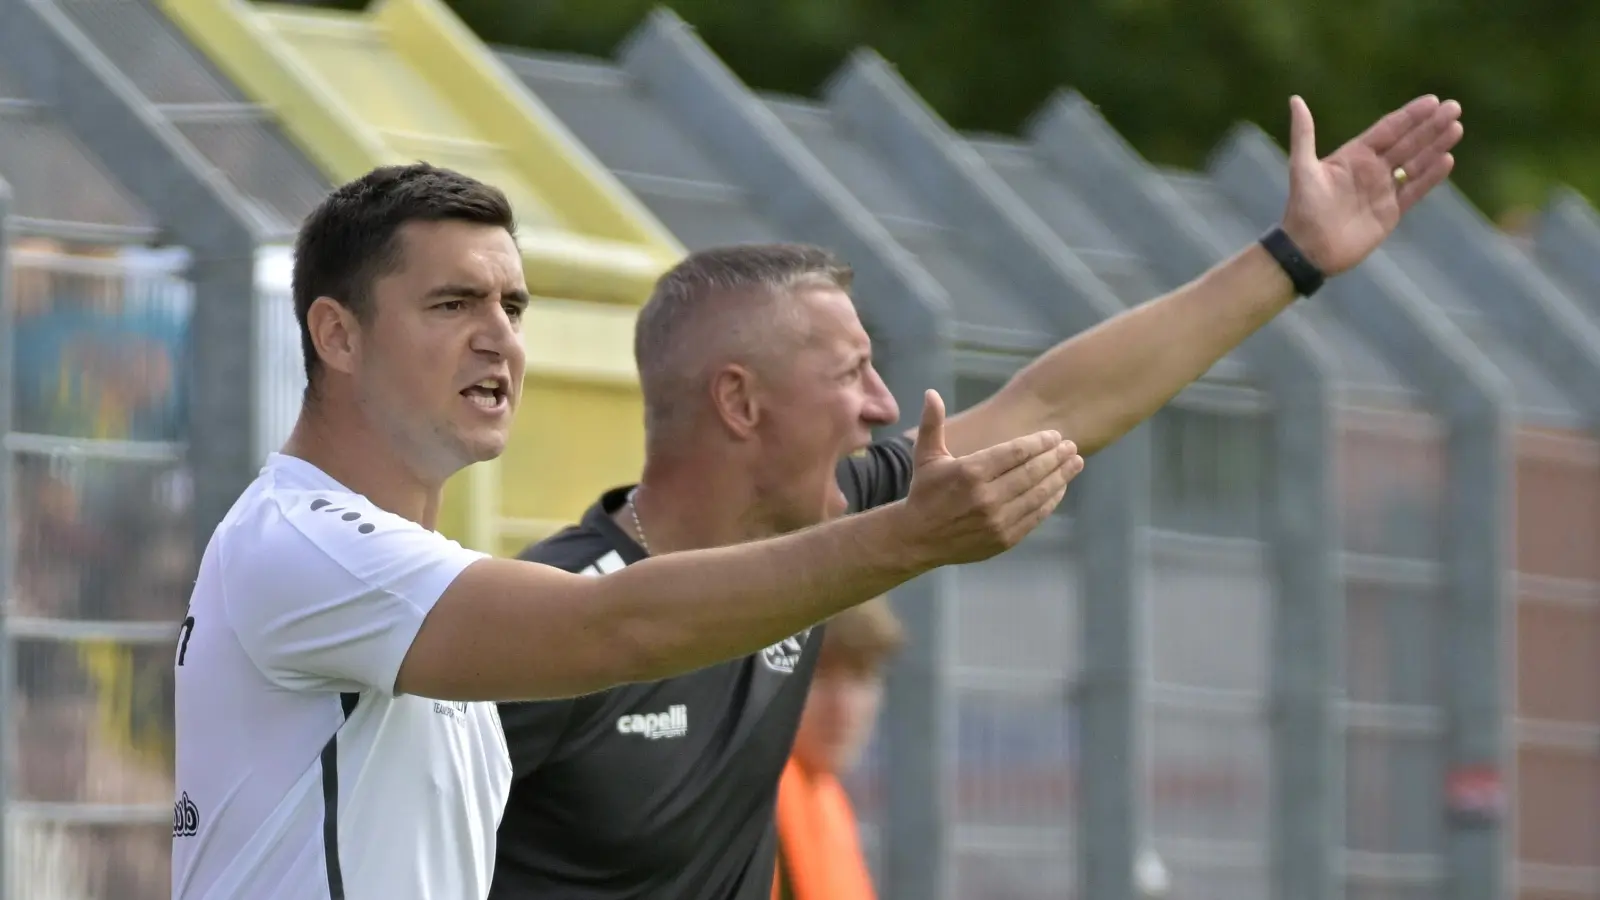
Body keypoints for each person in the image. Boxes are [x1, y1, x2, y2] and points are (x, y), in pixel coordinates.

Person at [488, 92, 1465, 900]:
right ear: (740, 403)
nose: (882, 406)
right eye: (851, 374)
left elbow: (1053, 404)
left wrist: (1290, 258)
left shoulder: (826, 522)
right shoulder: (549, 629)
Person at [168, 164, 1082, 900]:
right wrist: (909, 542)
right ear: (336, 333)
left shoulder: (399, 577)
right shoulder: (303, 540)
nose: (499, 338)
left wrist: (1237, 283)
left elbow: (1043, 408)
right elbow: (617, 626)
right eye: (454, 304)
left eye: (513, 308)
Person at [772, 597, 905, 900]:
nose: (842, 707)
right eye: (819, 674)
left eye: (861, 676)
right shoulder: (747, 800)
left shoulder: (825, 799)